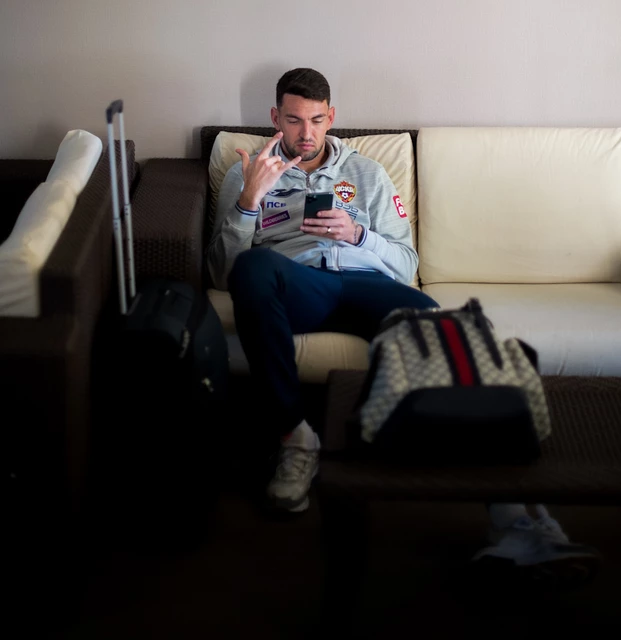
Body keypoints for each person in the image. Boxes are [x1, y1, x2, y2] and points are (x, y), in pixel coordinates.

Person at [208, 68, 600, 581]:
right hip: (298, 284)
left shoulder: (366, 173)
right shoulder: (247, 172)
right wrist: (248, 202)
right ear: (275, 118)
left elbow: (405, 262)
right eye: (295, 120)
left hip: (367, 284)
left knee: (451, 334)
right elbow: (223, 273)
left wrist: (358, 236)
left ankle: (518, 520)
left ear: (332, 117)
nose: (306, 133)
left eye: (317, 120)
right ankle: (295, 439)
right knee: (254, 268)